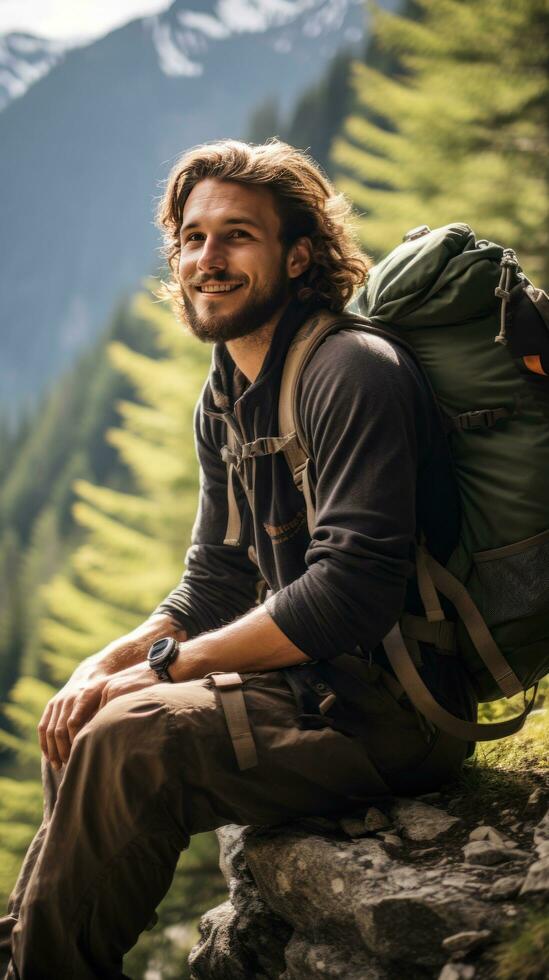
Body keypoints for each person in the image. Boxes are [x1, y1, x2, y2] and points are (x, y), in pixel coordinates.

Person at [1, 139, 476, 979]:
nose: (205, 260)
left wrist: (162, 669)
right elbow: (215, 577)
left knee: (130, 736)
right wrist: (103, 663)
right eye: (190, 237)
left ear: (299, 257)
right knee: (84, 716)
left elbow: (349, 593)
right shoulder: (225, 392)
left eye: (236, 236)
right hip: (308, 688)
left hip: (390, 712)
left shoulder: (350, 371)